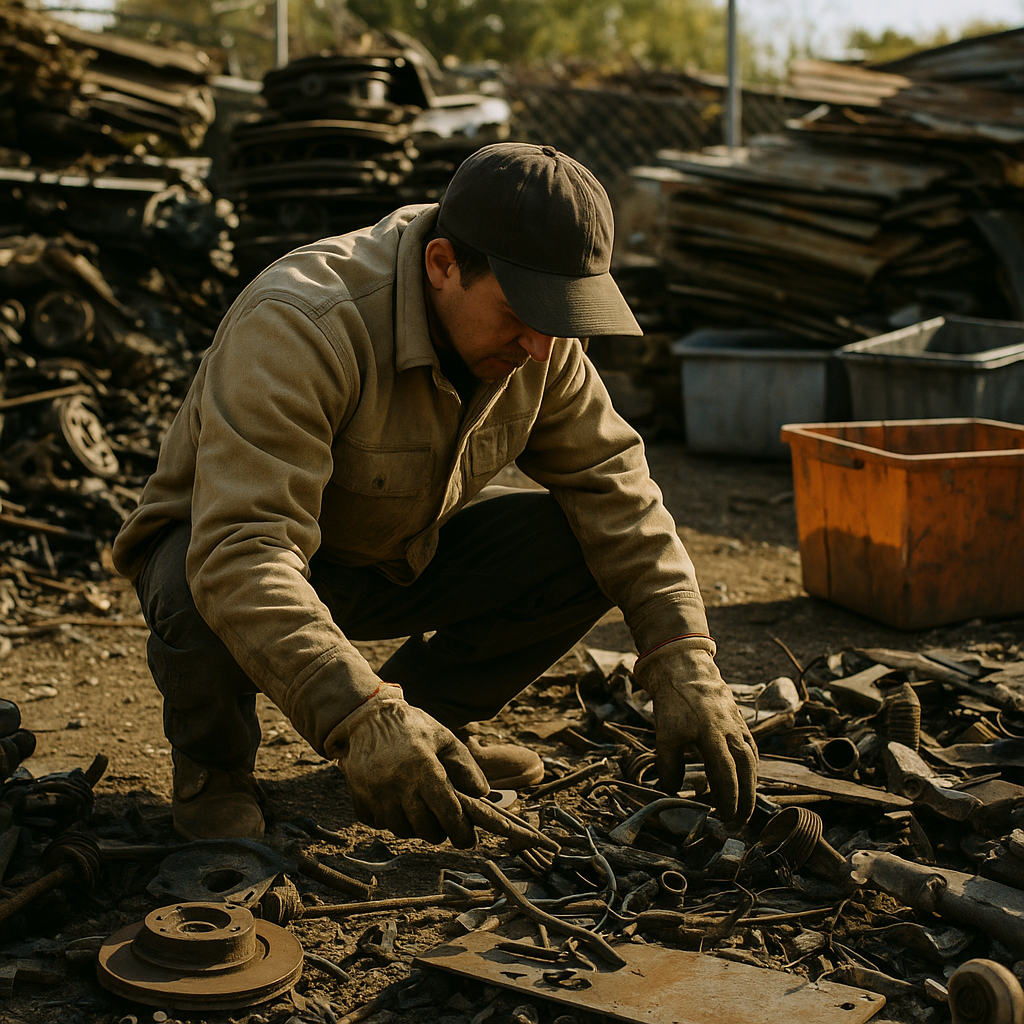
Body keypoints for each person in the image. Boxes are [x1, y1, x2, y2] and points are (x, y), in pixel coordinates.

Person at [112, 142, 757, 847]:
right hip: (237, 560)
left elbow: (617, 488)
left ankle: (431, 728)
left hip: (392, 555)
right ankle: (216, 771)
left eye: (560, 316)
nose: (542, 347)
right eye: (522, 313)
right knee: (192, 579)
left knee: (585, 541)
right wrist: (359, 717)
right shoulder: (301, 323)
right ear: (443, 265)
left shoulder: (539, 340)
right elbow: (243, 553)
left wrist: (684, 656)